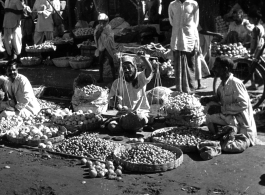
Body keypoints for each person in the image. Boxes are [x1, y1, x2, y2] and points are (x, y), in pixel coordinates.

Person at [200, 56, 257, 148]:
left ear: (225, 69)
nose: (213, 69)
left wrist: (221, 109)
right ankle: (221, 134)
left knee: (229, 146)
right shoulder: (222, 84)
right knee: (209, 110)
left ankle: (232, 134)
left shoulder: (235, 83)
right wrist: (209, 99)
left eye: (216, 67)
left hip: (240, 121)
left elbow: (243, 104)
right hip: (230, 116)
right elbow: (219, 98)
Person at [168, 0, 199, 93]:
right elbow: (171, 21)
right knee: (178, 64)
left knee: (190, 63)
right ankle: (180, 89)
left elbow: (195, 22)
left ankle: (191, 88)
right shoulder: (172, 4)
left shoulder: (193, 4)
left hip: (189, 38)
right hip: (177, 38)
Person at [94, 13, 116, 83]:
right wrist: (99, 31)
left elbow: (110, 37)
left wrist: (103, 35)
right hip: (101, 46)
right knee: (100, 62)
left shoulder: (108, 27)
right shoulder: (97, 28)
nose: (101, 23)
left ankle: (114, 77)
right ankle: (101, 77)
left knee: (111, 61)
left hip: (107, 46)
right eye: (100, 21)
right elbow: (96, 37)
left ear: (106, 21)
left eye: (103, 21)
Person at [247, 10, 265, 90]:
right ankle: (257, 81)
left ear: (255, 18)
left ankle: (254, 83)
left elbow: (256, 41)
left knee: (252, 66)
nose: (249, 20)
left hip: (257, 50)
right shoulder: (261, 26)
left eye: (250, 18)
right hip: (261, 49)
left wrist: (252, 52)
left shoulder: (256, 28)